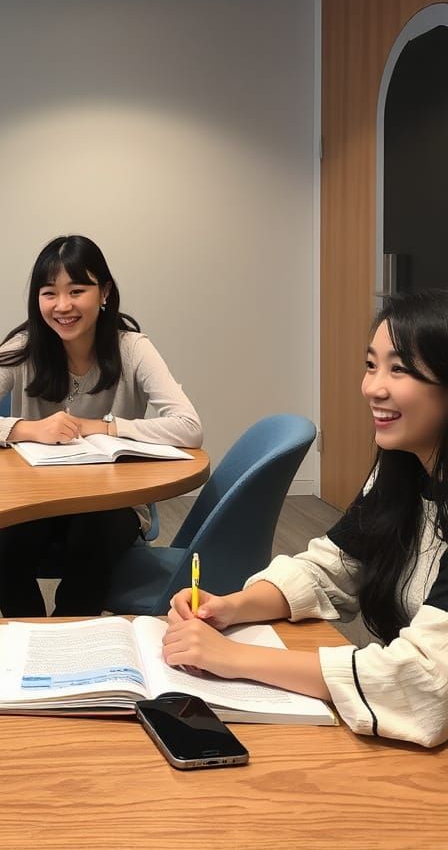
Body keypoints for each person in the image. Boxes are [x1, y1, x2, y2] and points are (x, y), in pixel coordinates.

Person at [164, 289, 448, 748]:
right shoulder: (403, 473)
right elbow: (333, 566)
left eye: (399, 369)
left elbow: (425, 683)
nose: (372, 387)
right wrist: (233, 606)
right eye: (371, 365)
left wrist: (233, 658)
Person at [0, 235, 202, 617]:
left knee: (91, 541)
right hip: (34, 498)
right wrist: (30, 429)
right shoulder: (24, 347)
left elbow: (188, 427)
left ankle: (71, 642)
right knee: (6, 544)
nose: (62, 306)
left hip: (111, 503)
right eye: (50, 293)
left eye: (77, 290)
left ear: (104, 293)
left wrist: (102, 427)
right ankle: (30, 636)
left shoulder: (132, 348)